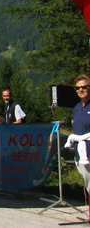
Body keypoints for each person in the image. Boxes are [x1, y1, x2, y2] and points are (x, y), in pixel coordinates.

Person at [64, 75, 90, 220]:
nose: (81, 90)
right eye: (78, 88)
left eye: (84, 87)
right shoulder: (77, 108)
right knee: (87, 183)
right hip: (81, 152)